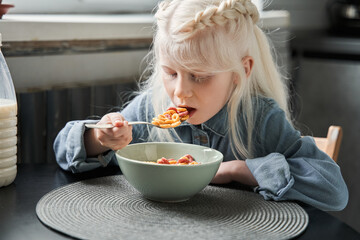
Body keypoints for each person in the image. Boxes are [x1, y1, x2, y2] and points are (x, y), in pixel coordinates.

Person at [54, 0, 348, 211]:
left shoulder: (260, 120)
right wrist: (100, 139)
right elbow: (63, 149)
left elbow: (332, 189)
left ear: (241, 72)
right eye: (170, 73)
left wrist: (240, 169)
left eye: (200, 77)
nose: (180, 92)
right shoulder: (151, 110)